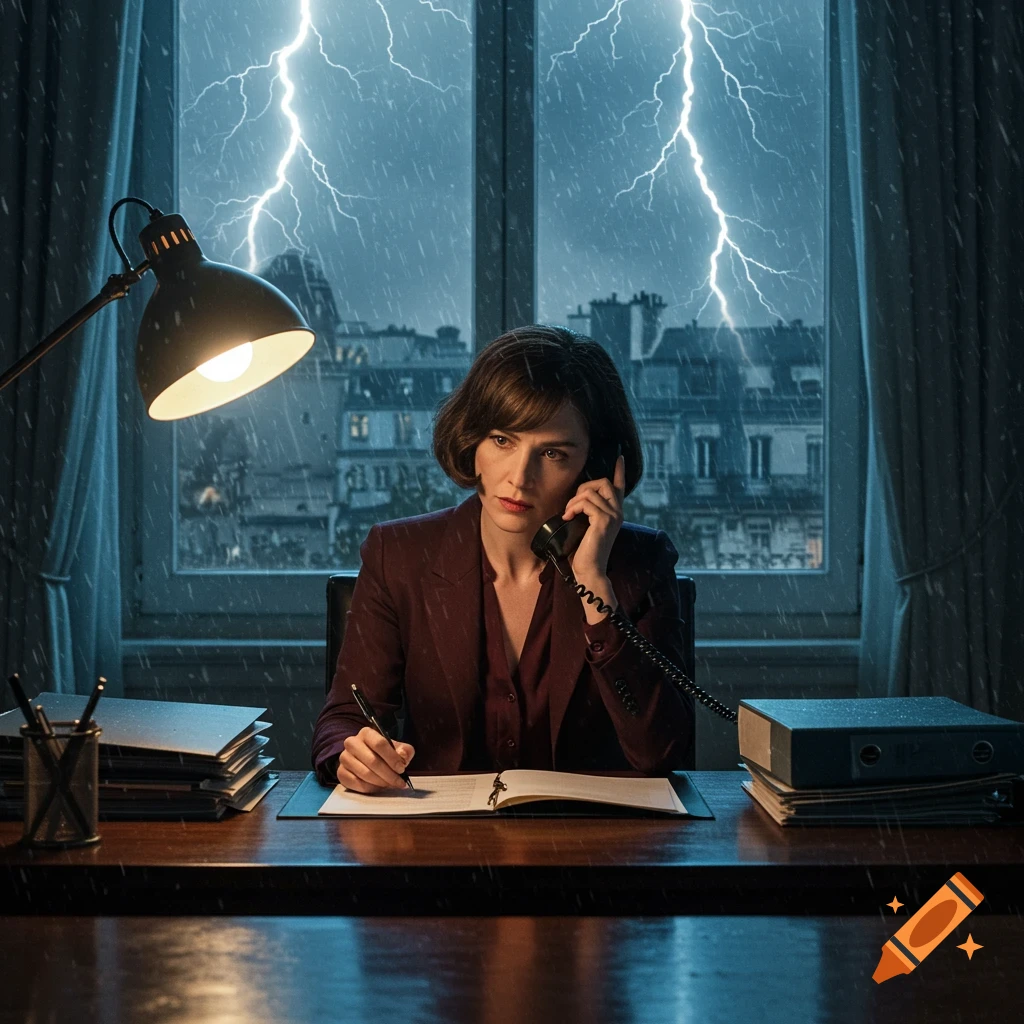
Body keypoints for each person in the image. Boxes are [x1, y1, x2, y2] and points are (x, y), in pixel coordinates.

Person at [311, 324, 695, 791]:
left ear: (595, 468)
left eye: (552, 452)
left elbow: (662, 751)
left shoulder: (641, 562)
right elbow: (343, 720)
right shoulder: (399, 555)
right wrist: (353, 755)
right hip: (438, 844)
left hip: (591, 846)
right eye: (502, 440)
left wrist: (594, 584)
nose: (520, 477)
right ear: (472, 444)